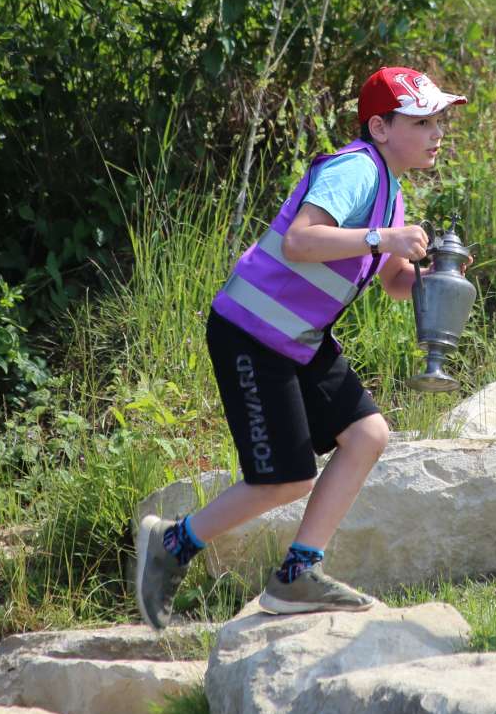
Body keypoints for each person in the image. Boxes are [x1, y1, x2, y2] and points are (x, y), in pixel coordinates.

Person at [134, 66, 467, 624]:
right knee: (286, 479)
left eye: (439, 122)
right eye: (422, 122)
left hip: (300, 340)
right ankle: (172, 543)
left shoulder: (392, 194)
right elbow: (300, 240)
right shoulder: (355, 170)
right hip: (252, 333)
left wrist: (437, 281)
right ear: (380, 128)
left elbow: (393, 282)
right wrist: (382, 237)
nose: (437, 133)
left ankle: (297, 574)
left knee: (367, 435)